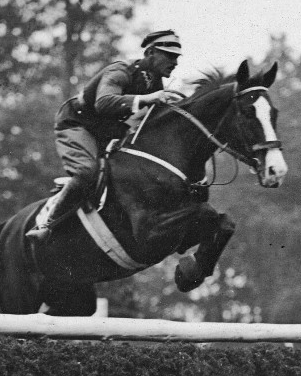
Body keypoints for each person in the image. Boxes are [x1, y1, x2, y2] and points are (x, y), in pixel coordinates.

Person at [26, 29, 184, 241]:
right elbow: (103, 103)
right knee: (86, 172)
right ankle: (46, 223)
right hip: (78, 125)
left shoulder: (154, 83)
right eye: (170, 55)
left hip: (108, 135)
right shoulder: (121, 71)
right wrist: (148, 99)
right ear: (151, 53)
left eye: (177, 57)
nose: (175, 62)